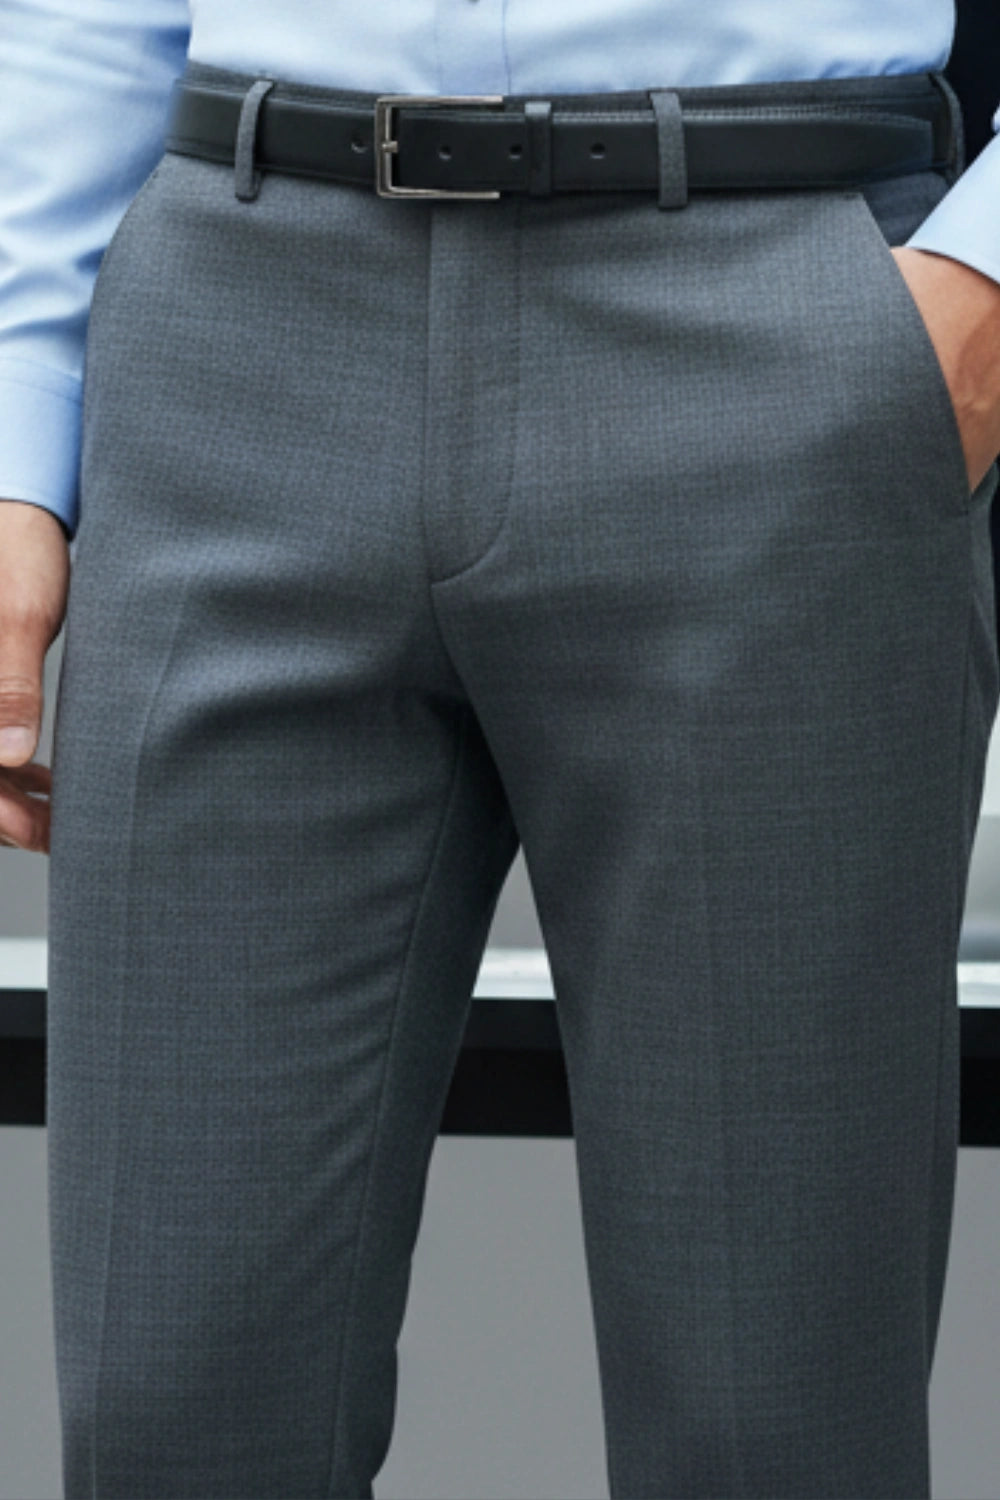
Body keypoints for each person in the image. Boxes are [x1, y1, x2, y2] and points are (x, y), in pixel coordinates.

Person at [2, 2, 999, 1496]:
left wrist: (986, 286)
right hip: (238, 323)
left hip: (775, 297)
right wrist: (17, 436)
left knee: (772, 1425)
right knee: (174, 1416)